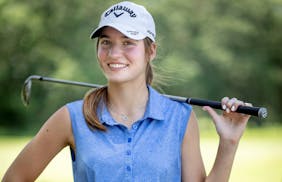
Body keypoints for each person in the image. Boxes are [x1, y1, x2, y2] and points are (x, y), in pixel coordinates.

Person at [2, 1, 252, 181]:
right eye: (106, 42)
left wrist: (228, 144)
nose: (114, 54)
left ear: (150, 51)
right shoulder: (71, 117)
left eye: (128, 43)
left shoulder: (181, 118)